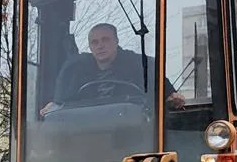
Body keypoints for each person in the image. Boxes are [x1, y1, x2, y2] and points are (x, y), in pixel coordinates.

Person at [40, 22, 185, 116]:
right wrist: (55, 106)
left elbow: (165, 93)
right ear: (90, 47)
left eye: (105, 40)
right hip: (87, 134)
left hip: (135, 133)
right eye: (95, 42)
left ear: (116, 41)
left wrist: (171, 96)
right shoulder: (74, 72)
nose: (100, 46)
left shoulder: (142, 65)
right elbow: (63, 102)